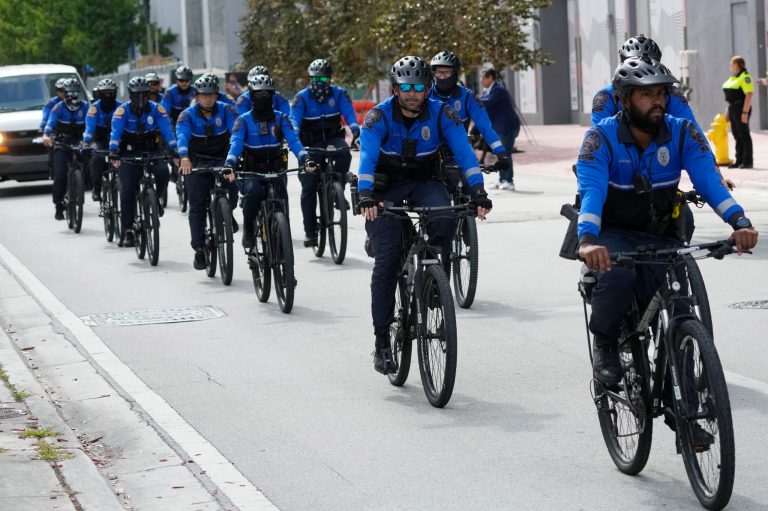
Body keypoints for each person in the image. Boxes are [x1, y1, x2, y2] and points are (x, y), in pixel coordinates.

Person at [576, 57, 758, 391]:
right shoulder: (599, 139)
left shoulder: (681, 131)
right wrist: (587, 240)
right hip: (613, 233)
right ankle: (606, 345)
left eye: (661, 92)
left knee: (680, 309)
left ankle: (685, 407)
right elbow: (591, 193)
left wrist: (739, 221)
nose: (657, 100)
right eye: (646, 95)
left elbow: (709, 182)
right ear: (625, 99)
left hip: (661, 230)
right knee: (618, 278)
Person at [358, 56, 492, 374]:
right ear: (395, 88)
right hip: (384, 189)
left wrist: (478, 190)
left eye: (419, 87)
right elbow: (366, 158)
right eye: (406, 87)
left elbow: (463, 151)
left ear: (428, 88)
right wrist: (366, 196)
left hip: (423, 182)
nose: (412, 93)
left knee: (446, 218)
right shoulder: (378, 117)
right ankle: (381, 342)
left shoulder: (442, 112)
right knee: (388, 260)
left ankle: (430, 274)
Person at [224, 74, 314, 249]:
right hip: (251, 173)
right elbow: (235, 144)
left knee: (281, 199)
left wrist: (306, 158)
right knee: (254, 192)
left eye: (267, 94)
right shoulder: (242, 120)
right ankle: (249, 229)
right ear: (251, 97)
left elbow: (294, 142)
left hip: (276, 170)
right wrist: (229, 163)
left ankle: (285, 253)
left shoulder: (282, 119)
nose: (263, 98)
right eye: (258, 95)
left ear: (273, 96)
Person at [290, 58, 360, 247]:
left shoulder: (339, 94)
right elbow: (294, 122)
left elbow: (351, 115)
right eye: (314, 80)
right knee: (309, 187)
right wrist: (294, 139)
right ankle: (311, 232)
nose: (318, 83)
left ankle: (338, 190)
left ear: (330, 79)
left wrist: (356, 132)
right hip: (310, 144)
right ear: (309, 79)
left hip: (332, 138)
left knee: (345, 152)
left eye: (322, 80)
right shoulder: (301, 98)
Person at [176, 73, 240, 270]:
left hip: (222, 158)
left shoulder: (227, 109)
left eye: (212, 95)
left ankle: (227, 212)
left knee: (233, 189)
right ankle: (199, 250)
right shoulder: (186, 115)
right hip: (197, 161)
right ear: (196, 96)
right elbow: (182, 136)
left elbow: (236, 133)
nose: (208, 99)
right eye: (203, 95)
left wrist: (233, 159)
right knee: (196, 205)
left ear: (217, 95)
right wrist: (184, 157)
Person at [109, 76, 178, 248]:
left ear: (148, 94)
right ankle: (128, 231)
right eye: (136, 94)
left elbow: (167, 132)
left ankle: (156, 199)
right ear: (131, 95)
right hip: (129, 152)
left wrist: (175, 150)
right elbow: (115, 133)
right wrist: (113, 152)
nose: (140, 98)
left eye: (143, 94)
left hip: (151, 149)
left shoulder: (157, 109)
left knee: (163, 172)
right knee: (127, 188)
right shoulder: (122, 111)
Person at [429, 50, 509, 189]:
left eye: (447, 73)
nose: (442, 76)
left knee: (472, 191)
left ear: (455, 73)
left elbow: (485, 127)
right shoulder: (425, 95)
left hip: (460, 150)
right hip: (429, 152)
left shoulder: (468, 97)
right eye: (439, 72)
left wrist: (501, 153)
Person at [591, 35, 700, 129]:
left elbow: (692, 132)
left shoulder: (672, 94)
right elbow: (601, 135)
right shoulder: (604, 97)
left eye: (660, 93)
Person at [42, 79, 90, 220]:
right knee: (60, 174)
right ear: (65, 94)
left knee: (90, 163)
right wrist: (46, 135)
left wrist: (91, 139)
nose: (73, 97)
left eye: (76, 93)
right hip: (62, 142)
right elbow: (50, 122)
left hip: (79, 142)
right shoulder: (58, 107)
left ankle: (84, 187)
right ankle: (58, 205)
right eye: (70, 93)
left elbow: (91, 124)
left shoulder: (86, 106)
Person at [480, 68, 520, 190]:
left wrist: (471, 99)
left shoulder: (498, 90)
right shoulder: (489, 91)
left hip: (507, 128)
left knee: (505, 154)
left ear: (490, 78)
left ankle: (509, 181)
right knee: (500, 154)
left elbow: (487, 103)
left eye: (483, 78)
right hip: (500, 128)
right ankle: (502, 179)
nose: (481, 81)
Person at [83, 78, 121, 202]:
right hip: (99, 140)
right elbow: (89, 127)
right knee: (97, 159)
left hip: (118, 140)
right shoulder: (94, 108)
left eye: (110, 93)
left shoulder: (121, 107)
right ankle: (97, 188)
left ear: (114, 93)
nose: (107, 96)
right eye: (104, 93)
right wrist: (86, 142)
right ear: (99, 94)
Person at [722, 55, 753, 169]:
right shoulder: (733, 77)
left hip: (742, 107)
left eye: (732, 63)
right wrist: (728, 111)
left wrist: (745, 112)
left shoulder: (745, 77)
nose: (730, 66)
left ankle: (748, 161)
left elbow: (749, 94)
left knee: (743, 134)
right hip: (733, 108)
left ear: (738, 64)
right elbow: (730, 98)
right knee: (736, 134)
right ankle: (739, 159)